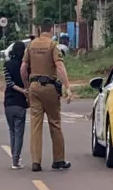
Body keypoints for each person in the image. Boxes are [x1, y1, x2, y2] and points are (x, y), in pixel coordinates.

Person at [20, 18, 73, 172]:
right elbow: (60, 67)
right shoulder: (52, 45)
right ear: (51, 30)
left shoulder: (31, 45)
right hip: (50, 87)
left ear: (40, 30)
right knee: (54, 123)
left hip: (34, 87)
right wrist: (67, 87)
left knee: (35, 125)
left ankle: (36, 162)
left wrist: (27, 87)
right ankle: (58, 160)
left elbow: (23, 69)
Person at [3, 41, 28, 169]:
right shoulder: (25, 66)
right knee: (19, 133)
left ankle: (14, 158)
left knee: (12, 131)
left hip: (8, 102)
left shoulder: (6, 65)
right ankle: (15, 160)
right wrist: (24, 91)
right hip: (20, 103)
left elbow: (9, 83)